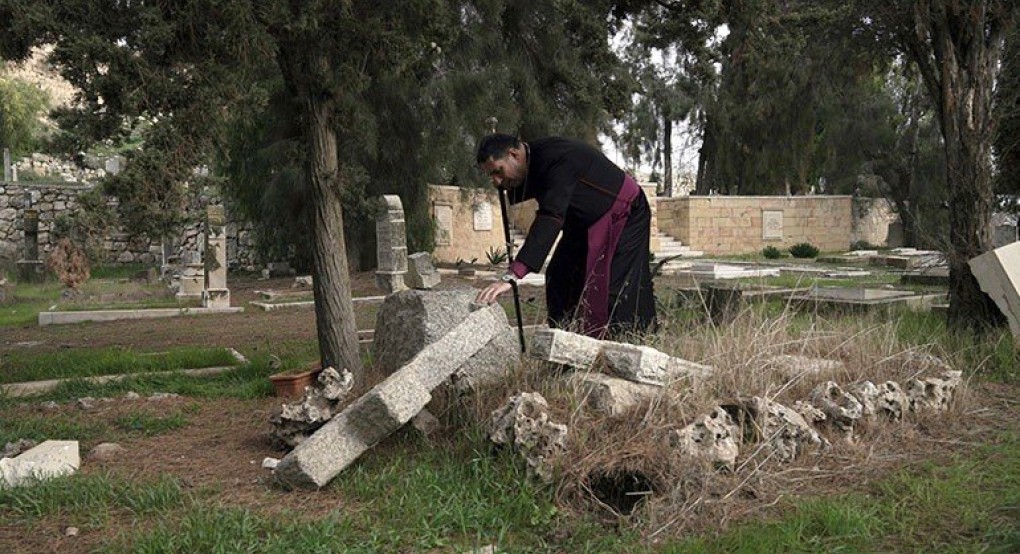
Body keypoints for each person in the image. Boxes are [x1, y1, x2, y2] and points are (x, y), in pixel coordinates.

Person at [474, 133, 657, 338]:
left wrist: (514, 274)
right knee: (559, 276)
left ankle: (628, 341)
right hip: (581, 222)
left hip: (625, 213)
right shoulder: (530, 160)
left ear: (514, 154)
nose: (496, 181)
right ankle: (563, 342)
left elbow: (551, 215)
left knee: (611, 288)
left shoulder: (557, 157)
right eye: (491, 176)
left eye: (498, 171)